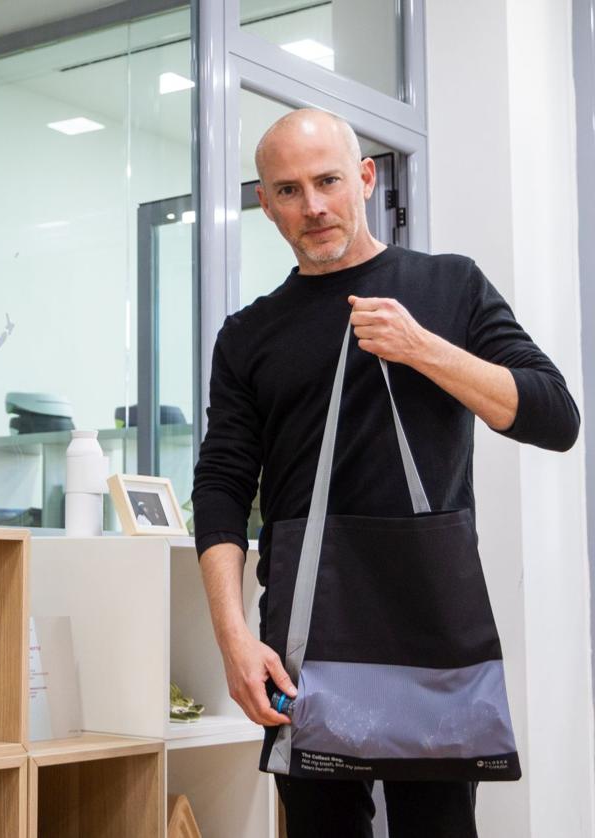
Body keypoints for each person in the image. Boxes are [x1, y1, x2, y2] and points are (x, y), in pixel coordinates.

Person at [191, 108, 579, 838]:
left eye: (329, 181)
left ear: (364, 178)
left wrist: (424, 348)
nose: (313, 207)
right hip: (304, 635)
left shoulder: (449, 286)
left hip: (427, 626)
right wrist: (233, 638)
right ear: (265, 203)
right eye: (287, 190)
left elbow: (556, 418)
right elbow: (219, 487)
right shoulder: (248, 335)